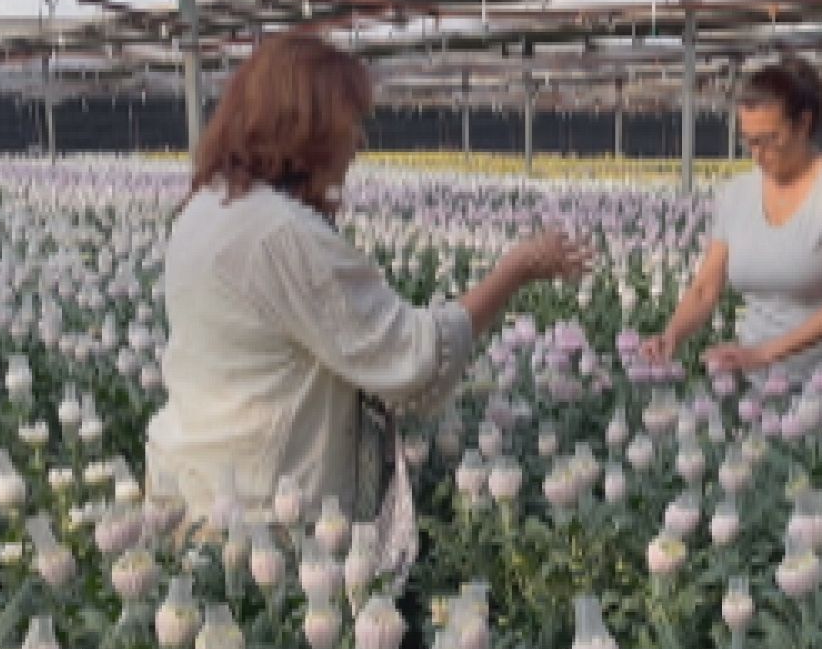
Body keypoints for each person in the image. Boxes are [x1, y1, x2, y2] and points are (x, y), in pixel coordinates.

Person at [146, 33, 591, 526]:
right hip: (265, 513)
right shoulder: (283, 234)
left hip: (197, 485)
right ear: (306, 128)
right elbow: (412, 358)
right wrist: (513, 272)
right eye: (349, 122)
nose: (358, 140)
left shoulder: (207, 207)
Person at [641, 56, 822, 410]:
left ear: (803, 124)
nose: (759, 154)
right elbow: (706, 287)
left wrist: (764, 353)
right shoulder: (735, 194)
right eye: (750, 142)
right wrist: (671, 336)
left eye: (771, 140)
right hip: (760, 385)